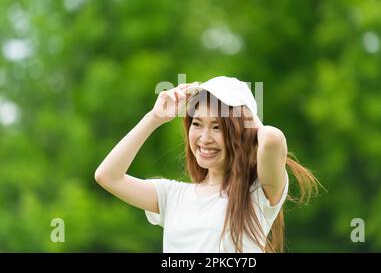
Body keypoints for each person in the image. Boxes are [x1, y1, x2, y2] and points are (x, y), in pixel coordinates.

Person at [95, 76, 319, 252]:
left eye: (217, 127)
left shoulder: (257, 193)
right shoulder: (172, 196)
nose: (204, 138)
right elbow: (107, 176)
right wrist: (154, 118)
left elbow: (273, 139)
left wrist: (247, 120)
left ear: (241, 131)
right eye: (197, 124)